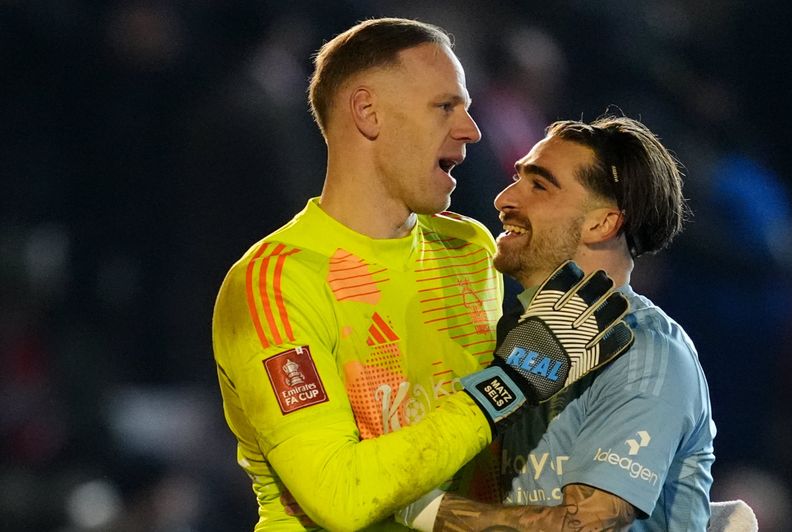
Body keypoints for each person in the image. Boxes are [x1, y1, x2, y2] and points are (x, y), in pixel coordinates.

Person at [212, 18, 631, 531]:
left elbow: (503, 451)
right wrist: (507, 385)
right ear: (368, 112)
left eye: (468, 109)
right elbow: (341, 496)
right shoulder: (275, 283)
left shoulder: (469, 248)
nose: (471, 130)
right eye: (444, 107)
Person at [397, 115, 716, 530]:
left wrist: (408, 505)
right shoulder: (505, 337)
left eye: (539, 185)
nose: (504, 199)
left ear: (602, 223)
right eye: (517, 178)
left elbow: (581, 526)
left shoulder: (648, 353)